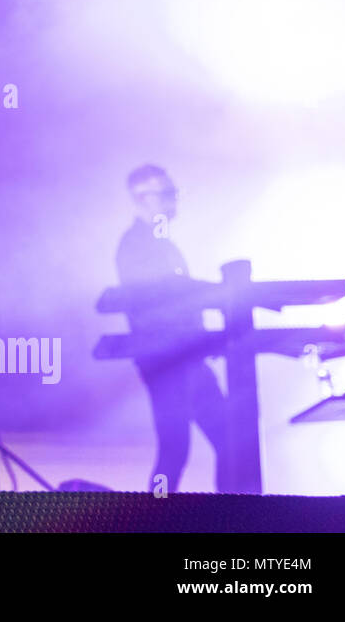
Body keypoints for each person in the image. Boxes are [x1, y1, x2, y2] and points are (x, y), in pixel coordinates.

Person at [115, 164, 229, 493]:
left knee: (224, 441)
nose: (173, 200)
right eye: (166, 194)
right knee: (177, 449)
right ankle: (156, 522)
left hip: (184, 358)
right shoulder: (136, 245)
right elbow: (161, 299)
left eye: (173, 193)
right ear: (142, 199)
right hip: (166, 361)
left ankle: (233, 518)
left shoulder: (161, 244)